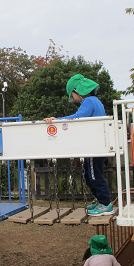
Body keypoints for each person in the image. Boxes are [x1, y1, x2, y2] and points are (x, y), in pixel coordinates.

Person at [44, 74, 113, 216]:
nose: (74, 99)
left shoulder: (89, 101)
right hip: (95, 146)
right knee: (89, 175)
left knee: (94, 176)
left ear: (78, 90)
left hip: (96, 147)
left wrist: (57, 120)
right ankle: (99, 200)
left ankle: (106, 204)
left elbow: (77, 117)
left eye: (72, 95)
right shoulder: (95, 101)